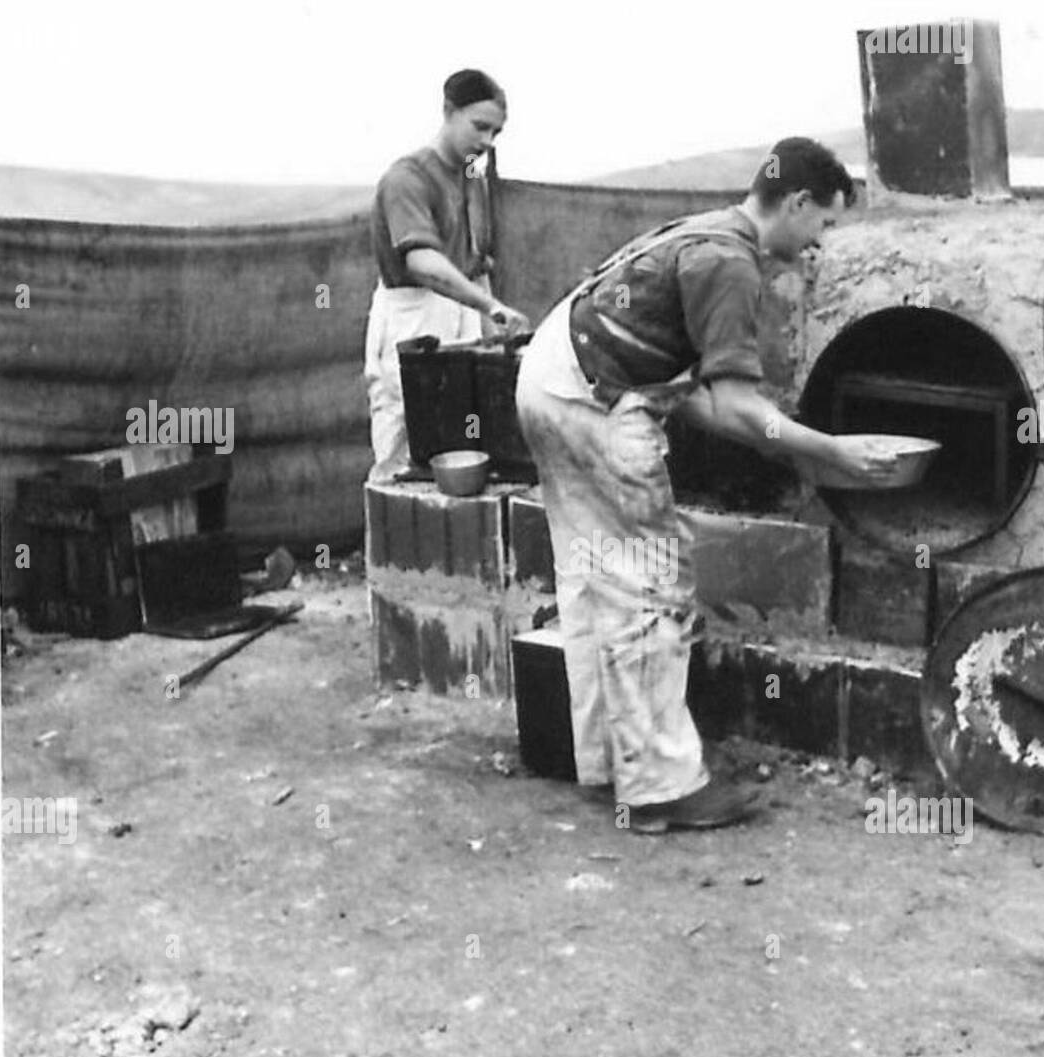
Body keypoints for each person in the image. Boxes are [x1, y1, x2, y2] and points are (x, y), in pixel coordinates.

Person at [515, 137, 900, 835]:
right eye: (825, 224)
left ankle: (609, 764)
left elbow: (697, 396)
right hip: (592, 398)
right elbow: (744, 411)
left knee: (593, 576)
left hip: (550, 373)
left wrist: (796, 448)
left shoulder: (704, 231)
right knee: (650, 582)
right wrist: (835, 453)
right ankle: (660, 790)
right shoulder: (731, 262)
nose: (821, 243)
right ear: (798, 202)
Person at [364, 69, 531, 483]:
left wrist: (488, 316)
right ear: (448, 112)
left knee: (464, 440)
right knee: (404, 450)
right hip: (414, 320)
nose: (488, 141)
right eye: (480, 127)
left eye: (496, 132)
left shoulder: (472, 175)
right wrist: (490, 305)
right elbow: (422, 262)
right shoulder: (408, 178)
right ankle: (391, 545)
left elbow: (474, 254)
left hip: (465, 316)